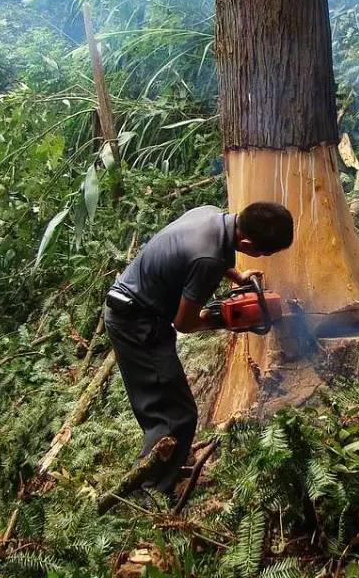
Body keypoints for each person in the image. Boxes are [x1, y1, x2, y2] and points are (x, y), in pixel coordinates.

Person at [103, 201, 294, 500]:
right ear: (246, 242)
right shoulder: (207, 259)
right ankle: (149, 493)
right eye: (263, 252)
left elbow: (213, 256)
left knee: (165, 409)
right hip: (137, 324)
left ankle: (165, 468)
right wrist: (224, 319)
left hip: (136, 307)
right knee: (174, 416)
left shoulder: (210, 215)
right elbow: (185, 323)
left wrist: (239, 278)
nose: (264, 257)